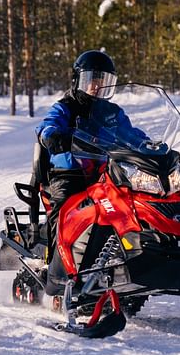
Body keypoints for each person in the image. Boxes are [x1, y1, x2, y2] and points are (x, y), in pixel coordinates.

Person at [35, 50, 148, 294]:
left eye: (104, 82)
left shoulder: (112, 113)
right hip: (69, 173)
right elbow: (48, 124)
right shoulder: (66, 106)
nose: (97, 87)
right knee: (64, 209)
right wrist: (52, 136)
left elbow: (130, 134)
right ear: (78, 80)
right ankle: (55, 268)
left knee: (128, 205)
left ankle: (128, 262)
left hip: (103, 173)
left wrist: (149, 147)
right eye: (93, 80)